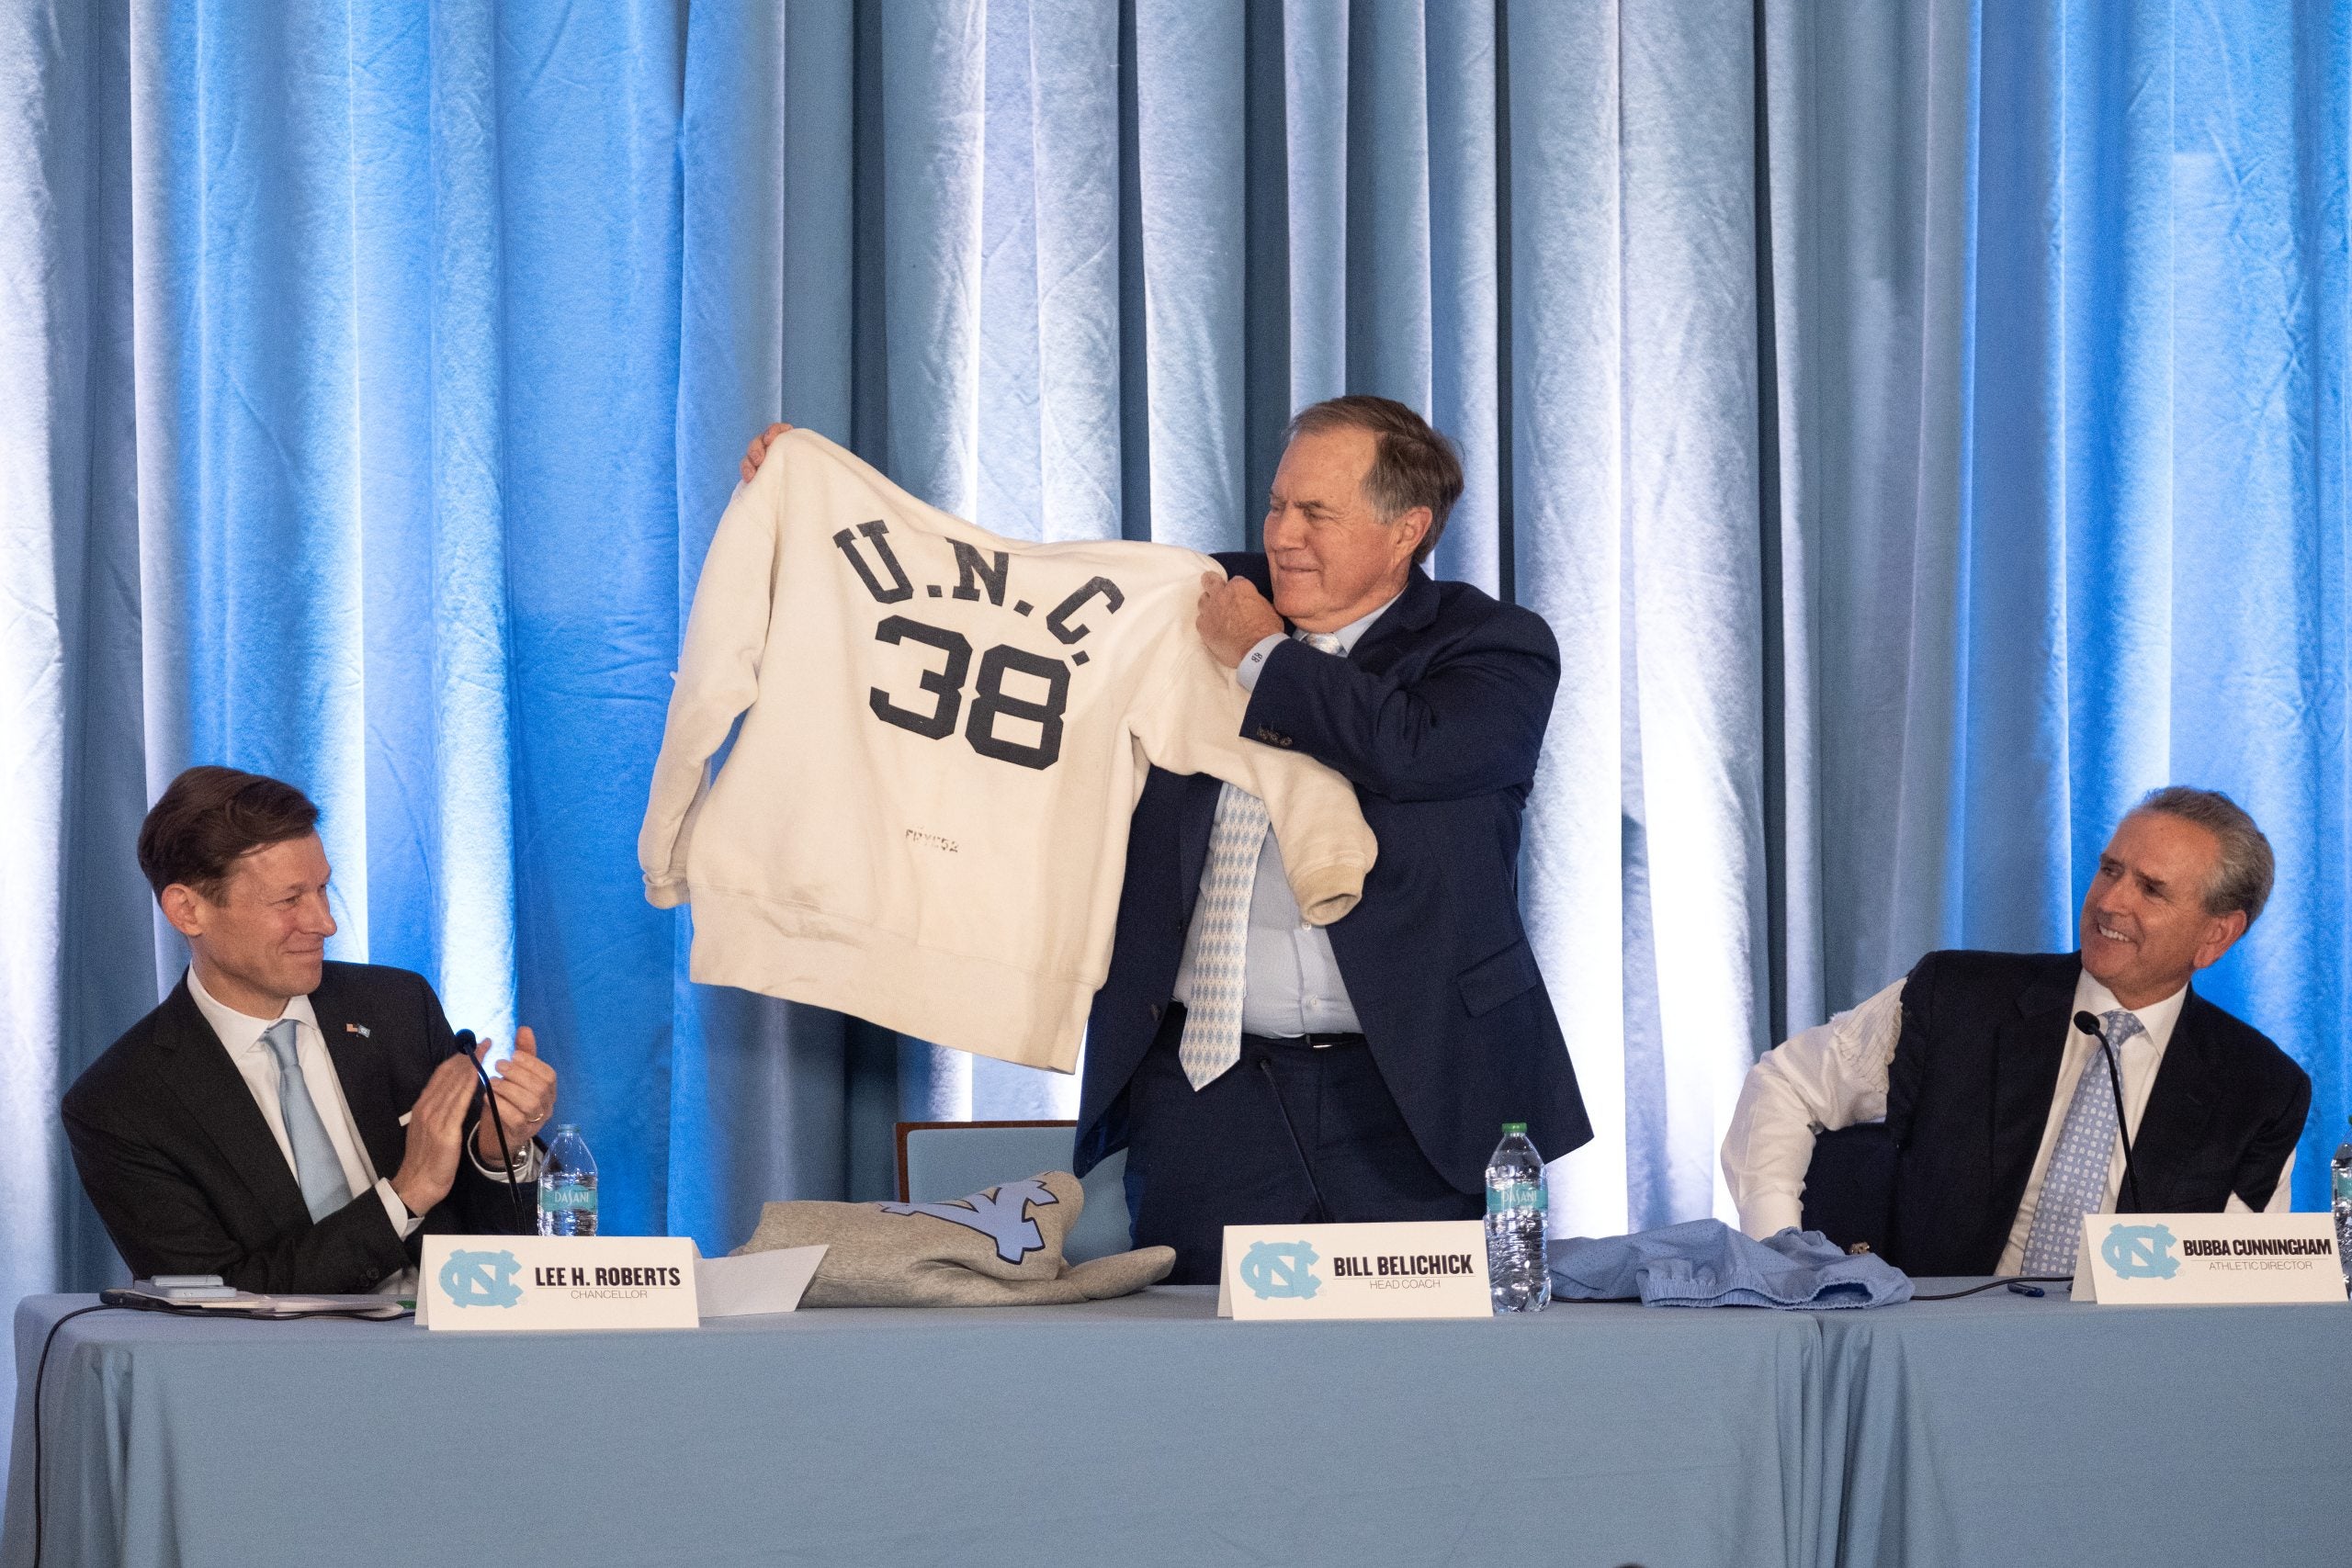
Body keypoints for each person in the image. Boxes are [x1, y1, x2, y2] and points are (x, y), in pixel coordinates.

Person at [740, 396, 1589, 1282]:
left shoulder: (1494, 646)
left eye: (1316, 513)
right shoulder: (1198, 600)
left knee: (1416, 1383)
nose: (1282, 534)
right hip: (1206, 1093)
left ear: (1406, 529)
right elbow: (1001, 592)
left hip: (1415, 1093)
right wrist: (815, 507)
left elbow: (1414, 750)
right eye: (1275, 504)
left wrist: (1265, 656)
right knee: (1196, 1384)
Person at [1721, 786, 2310, 1277]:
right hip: (1932, 1342)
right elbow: (1785, 1086)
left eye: (2150, 889)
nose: (2109, 902)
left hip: (2126, 1375)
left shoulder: (2259, 1089)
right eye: (2110, 870)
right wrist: (1783, 1259)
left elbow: (2245, 1274)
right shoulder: (1956, 996)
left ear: (2217, 935)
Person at [63, 767, 558, 1294]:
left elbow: (510, 1255)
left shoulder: (396, 1008)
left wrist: (498, 1150)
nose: (325, 923)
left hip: (461, 1358)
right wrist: (406, 1194)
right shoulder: (122, 1103)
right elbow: (217, 1304)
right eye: (289, 900)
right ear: (188, 910)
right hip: (280, 1373)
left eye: (323, 889)